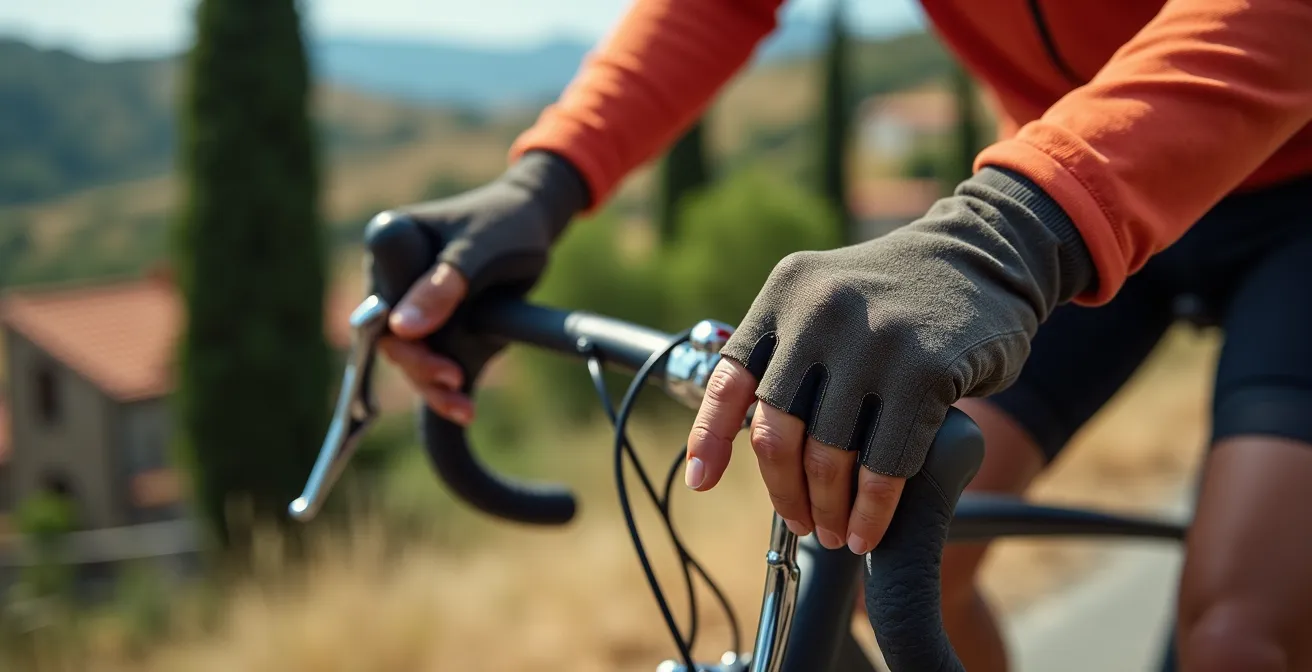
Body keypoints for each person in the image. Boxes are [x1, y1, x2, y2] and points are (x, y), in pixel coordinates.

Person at [375, 1, 1312, 670]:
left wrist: (999, 234)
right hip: (1069, 183)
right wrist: (546, 182)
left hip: (1246, 201)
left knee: (1238, 638)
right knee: (890, 553)